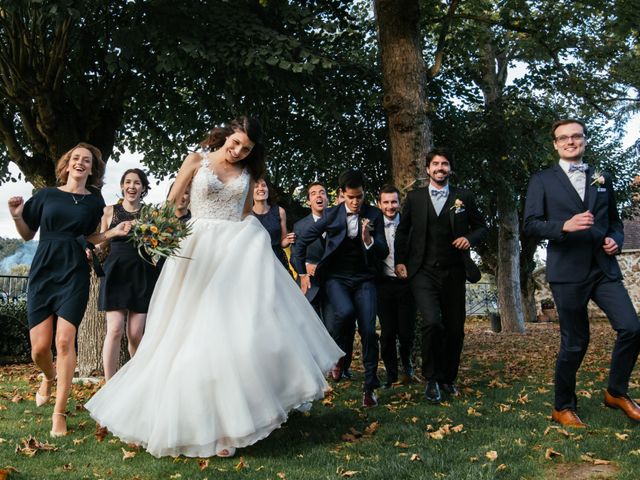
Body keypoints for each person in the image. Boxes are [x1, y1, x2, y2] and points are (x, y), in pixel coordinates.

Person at [85, 116, 343, 458]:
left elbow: (246, 213)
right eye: (235, 143)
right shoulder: (196, 160)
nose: (238, 152)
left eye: (246, 149)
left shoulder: (249, 174)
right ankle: (197, 421)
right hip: (196, 252)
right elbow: (172, 204)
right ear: (226, 135)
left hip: (236, 254)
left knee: (232, 332)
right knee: (190, 334)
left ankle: (230, 427)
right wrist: (156, 233)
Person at [7, 143, 131, 437]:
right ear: (67, 164)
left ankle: (59, 413)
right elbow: (27, 234)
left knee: (64, 341)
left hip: (74, 270)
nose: (80, 163)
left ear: (92, 168)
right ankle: (48, 376)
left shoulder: (94, 200)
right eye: (76, 158)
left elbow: (91, 235)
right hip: (44, 270)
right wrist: (15, 215)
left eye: (86, 160)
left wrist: (112, 232)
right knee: (39, 349)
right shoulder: (47, 195)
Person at [523, 118, 640, 427]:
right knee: (575, 342)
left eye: (576, 136)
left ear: (585, 140)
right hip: (567, 271)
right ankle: (562, 406)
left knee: (632, 328)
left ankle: (616, 391)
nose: (570, 141)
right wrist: (563, 225)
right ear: (556, 144)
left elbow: (614, 220)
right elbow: (530, 225)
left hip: (602, 268)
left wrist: (616, 239)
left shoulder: (602, 178)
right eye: (564, 138)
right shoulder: (542, 180)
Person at [395, 148, 487, 404]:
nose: (440, 168)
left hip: (454, 271)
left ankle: (448, 378)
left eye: (445, 164)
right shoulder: (415, 198)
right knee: (432, 323)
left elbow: (482, 227)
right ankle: (431, 379)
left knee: (455, 329)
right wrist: (401, 261)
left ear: (450, 169)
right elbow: (402, 232)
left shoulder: (463, 197)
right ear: (427, 169)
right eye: (435, 164)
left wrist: (469, 239)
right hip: (422, 271)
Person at [292, 170, 388, 407]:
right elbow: (303, 240)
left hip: (364, 278)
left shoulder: (374, 215)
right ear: (342, 195)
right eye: (351, 197)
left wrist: (368, 240)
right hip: (337, 278)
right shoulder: (333, 215)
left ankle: (369, 388)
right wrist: (302, 272)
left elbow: (383, 250)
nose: (356, 203)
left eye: (360, 197)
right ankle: (337, 355)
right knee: (344, 313)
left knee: (368, 331)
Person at [98, 168, 159, 380]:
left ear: (143, 188)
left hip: (142, 274)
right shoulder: (108, 212)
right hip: (115, 273)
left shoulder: (152, 214)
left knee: (135, 334)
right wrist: (92, 251)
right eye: (128, 182)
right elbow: (101, 242)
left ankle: (135, 382)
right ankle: (109, 385)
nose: (132, 187)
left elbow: (158, 245)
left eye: (137, 183)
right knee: (114, 330)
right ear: (122, 186)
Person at [293, 182, 356, 380]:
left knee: (335, 327)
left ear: (327, 198)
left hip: (333, 282)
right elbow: (296, 254)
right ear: (308, 200)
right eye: (313, 193)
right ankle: (315, 370)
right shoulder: (300, 226)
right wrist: (304, 267)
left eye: (322, 192)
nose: (318, 196)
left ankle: (340, 367)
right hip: (310, 285)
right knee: (311, 329)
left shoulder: (340, 220)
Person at [376, 185, 417, 388]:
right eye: (386, 202)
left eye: (394, 202)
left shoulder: (410, 226)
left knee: (407, 331)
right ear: (379, 204)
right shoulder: (373, 226)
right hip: (383, 285)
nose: (390, 206)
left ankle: (407, 365)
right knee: (388, 333)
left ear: (399, 204)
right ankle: (391, 374)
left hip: (406, 285)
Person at [252, 177, 295, 272]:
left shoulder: (280, 211)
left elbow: (283, 243)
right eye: (256, 186)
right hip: (255, 262)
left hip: (277, 260)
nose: (261, 188)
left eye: (264, 185)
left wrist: (289, 239)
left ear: (268, 189)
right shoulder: (247, 215)